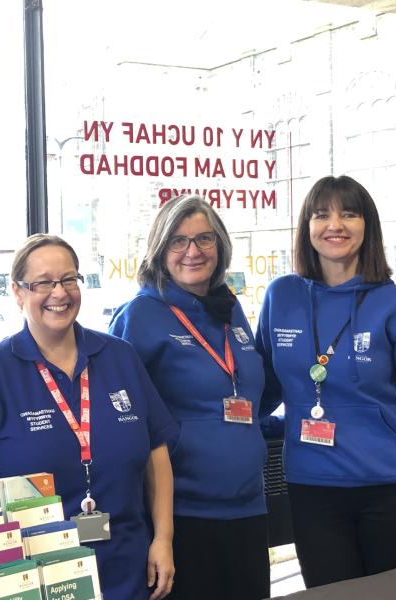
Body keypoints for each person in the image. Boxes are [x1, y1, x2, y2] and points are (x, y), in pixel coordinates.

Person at [255, 175, 396, 588]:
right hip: (313, 489)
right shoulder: (282, 296)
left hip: (394, 490)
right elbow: (265, 388)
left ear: (368, 226)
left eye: (349, 214)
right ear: (307, 227)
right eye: (322, 215)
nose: (335, 225)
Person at [0, 234, 177, 600]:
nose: (59, 293)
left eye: (69, 279)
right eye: (43, 282)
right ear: (18, 292)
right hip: (37, 579)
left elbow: (157, 454)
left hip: (129, 568)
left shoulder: (120, 357)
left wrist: (163, 540)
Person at [109, 195, 271, 600]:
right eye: (178, 241)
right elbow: (121, 421)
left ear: (221, 245)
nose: (193, 251)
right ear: (160, 251)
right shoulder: (139, 316)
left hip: (248, 507)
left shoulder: (228, 308)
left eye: (204, 239)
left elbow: (249, 392)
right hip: (181, 514)